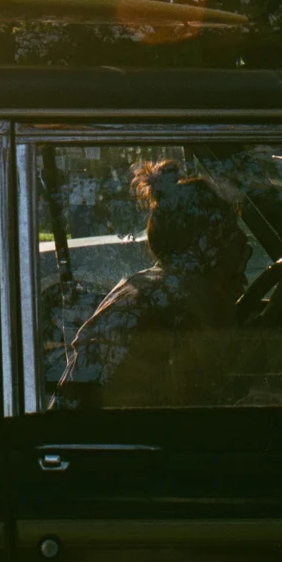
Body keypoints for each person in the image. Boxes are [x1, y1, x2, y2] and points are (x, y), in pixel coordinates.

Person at [55, 159, 251, 409]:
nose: (242, 242)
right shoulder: (170, 307)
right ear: (207, 242)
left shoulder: (165, 290)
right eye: (230, 230)